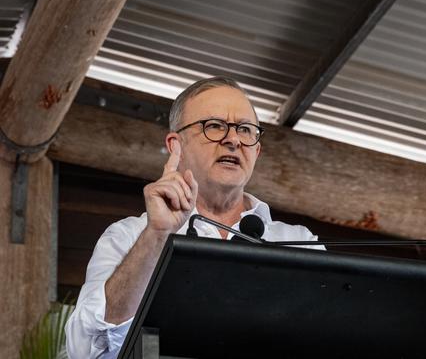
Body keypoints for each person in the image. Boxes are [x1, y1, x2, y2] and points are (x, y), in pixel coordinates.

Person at [65, 76, 321, 359]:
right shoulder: (127, 237)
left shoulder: (298, 242)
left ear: (256, 150)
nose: (233, 140)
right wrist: (157, 234)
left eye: (245, 130)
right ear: (177, 145)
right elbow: (86, 349)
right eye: (214, 126)